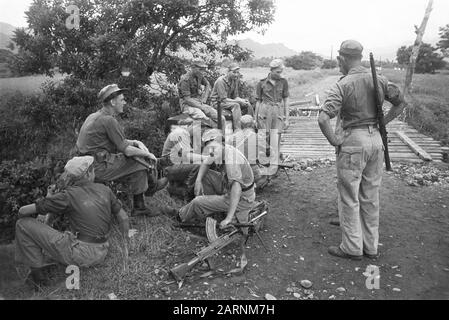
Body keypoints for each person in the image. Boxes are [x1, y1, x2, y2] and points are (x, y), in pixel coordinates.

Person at [318, 40, 407, 260]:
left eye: (339, 61)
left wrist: (335, 141)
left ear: (343, 59)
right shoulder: (381, 80)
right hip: (376, 141)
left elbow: (322, 118)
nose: (338, 65)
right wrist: (381, 123)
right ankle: (371, 247)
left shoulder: (343, 84)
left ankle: (352, 247)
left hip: (353, 142)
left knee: (349, 197)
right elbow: (401, 103)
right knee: (370, 196)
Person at [14, 156, 132, 289]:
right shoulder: (104, 189)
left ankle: (38, 279)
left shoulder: (67, 195)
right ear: (88, 173)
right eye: (93, 170)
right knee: (64, 235)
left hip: (81, 254)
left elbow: (23, 211)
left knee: (22, 224)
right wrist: (125, 245)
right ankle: (42, 265)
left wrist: (47, 200)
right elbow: (123, 218)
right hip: (102, 250)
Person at [76, 84, 167, 217]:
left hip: (87, 164)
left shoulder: (95, 116)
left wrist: (136, 142)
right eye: (122, 99)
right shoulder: (108, 120)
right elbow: (127, 151)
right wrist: (149, 154)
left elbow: (118, 141)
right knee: (139, 161)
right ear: (112, 102)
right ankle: (149, 190)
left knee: (136, 158)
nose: (124, 102)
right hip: (97, 167)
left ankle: (142, 200)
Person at [255, 59, 290, 173]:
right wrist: (255, 118)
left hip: (277, 111)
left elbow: (286, 100)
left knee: (276, 137)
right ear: (272, 70)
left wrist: (287, 118)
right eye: (278, 72)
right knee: (263, 137)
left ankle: (274, 166)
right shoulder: (261, 83)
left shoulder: (283, 82)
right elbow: (258, 101)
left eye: (281, 72)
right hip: (264, 111)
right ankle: (263, 164)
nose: (280, 74)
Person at [210, 63, 253, 130]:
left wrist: (242, 100)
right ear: (228, 72)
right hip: (218, 103)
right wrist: (238, 101)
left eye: (237, 72)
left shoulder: (234, 80)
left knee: (247, 103)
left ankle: (250, 126)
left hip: (228, 101)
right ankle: (237, 129)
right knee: (236, 105)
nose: (236, 74)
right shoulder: (220, 81)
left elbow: (235, 96)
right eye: (234, 72)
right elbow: (223, 99)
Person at [178, 60, 220, 124]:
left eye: (203, 69)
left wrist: (204, 99)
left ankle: (220, 132)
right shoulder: (185, 80)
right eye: (200, 69)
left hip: (198, 102)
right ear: (193, 68)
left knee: (219, 117)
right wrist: (202, 107)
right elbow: (187, 100)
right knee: (203, 118)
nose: (202, 72)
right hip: (187, 105)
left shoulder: (199, 76)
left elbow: (207, 84)